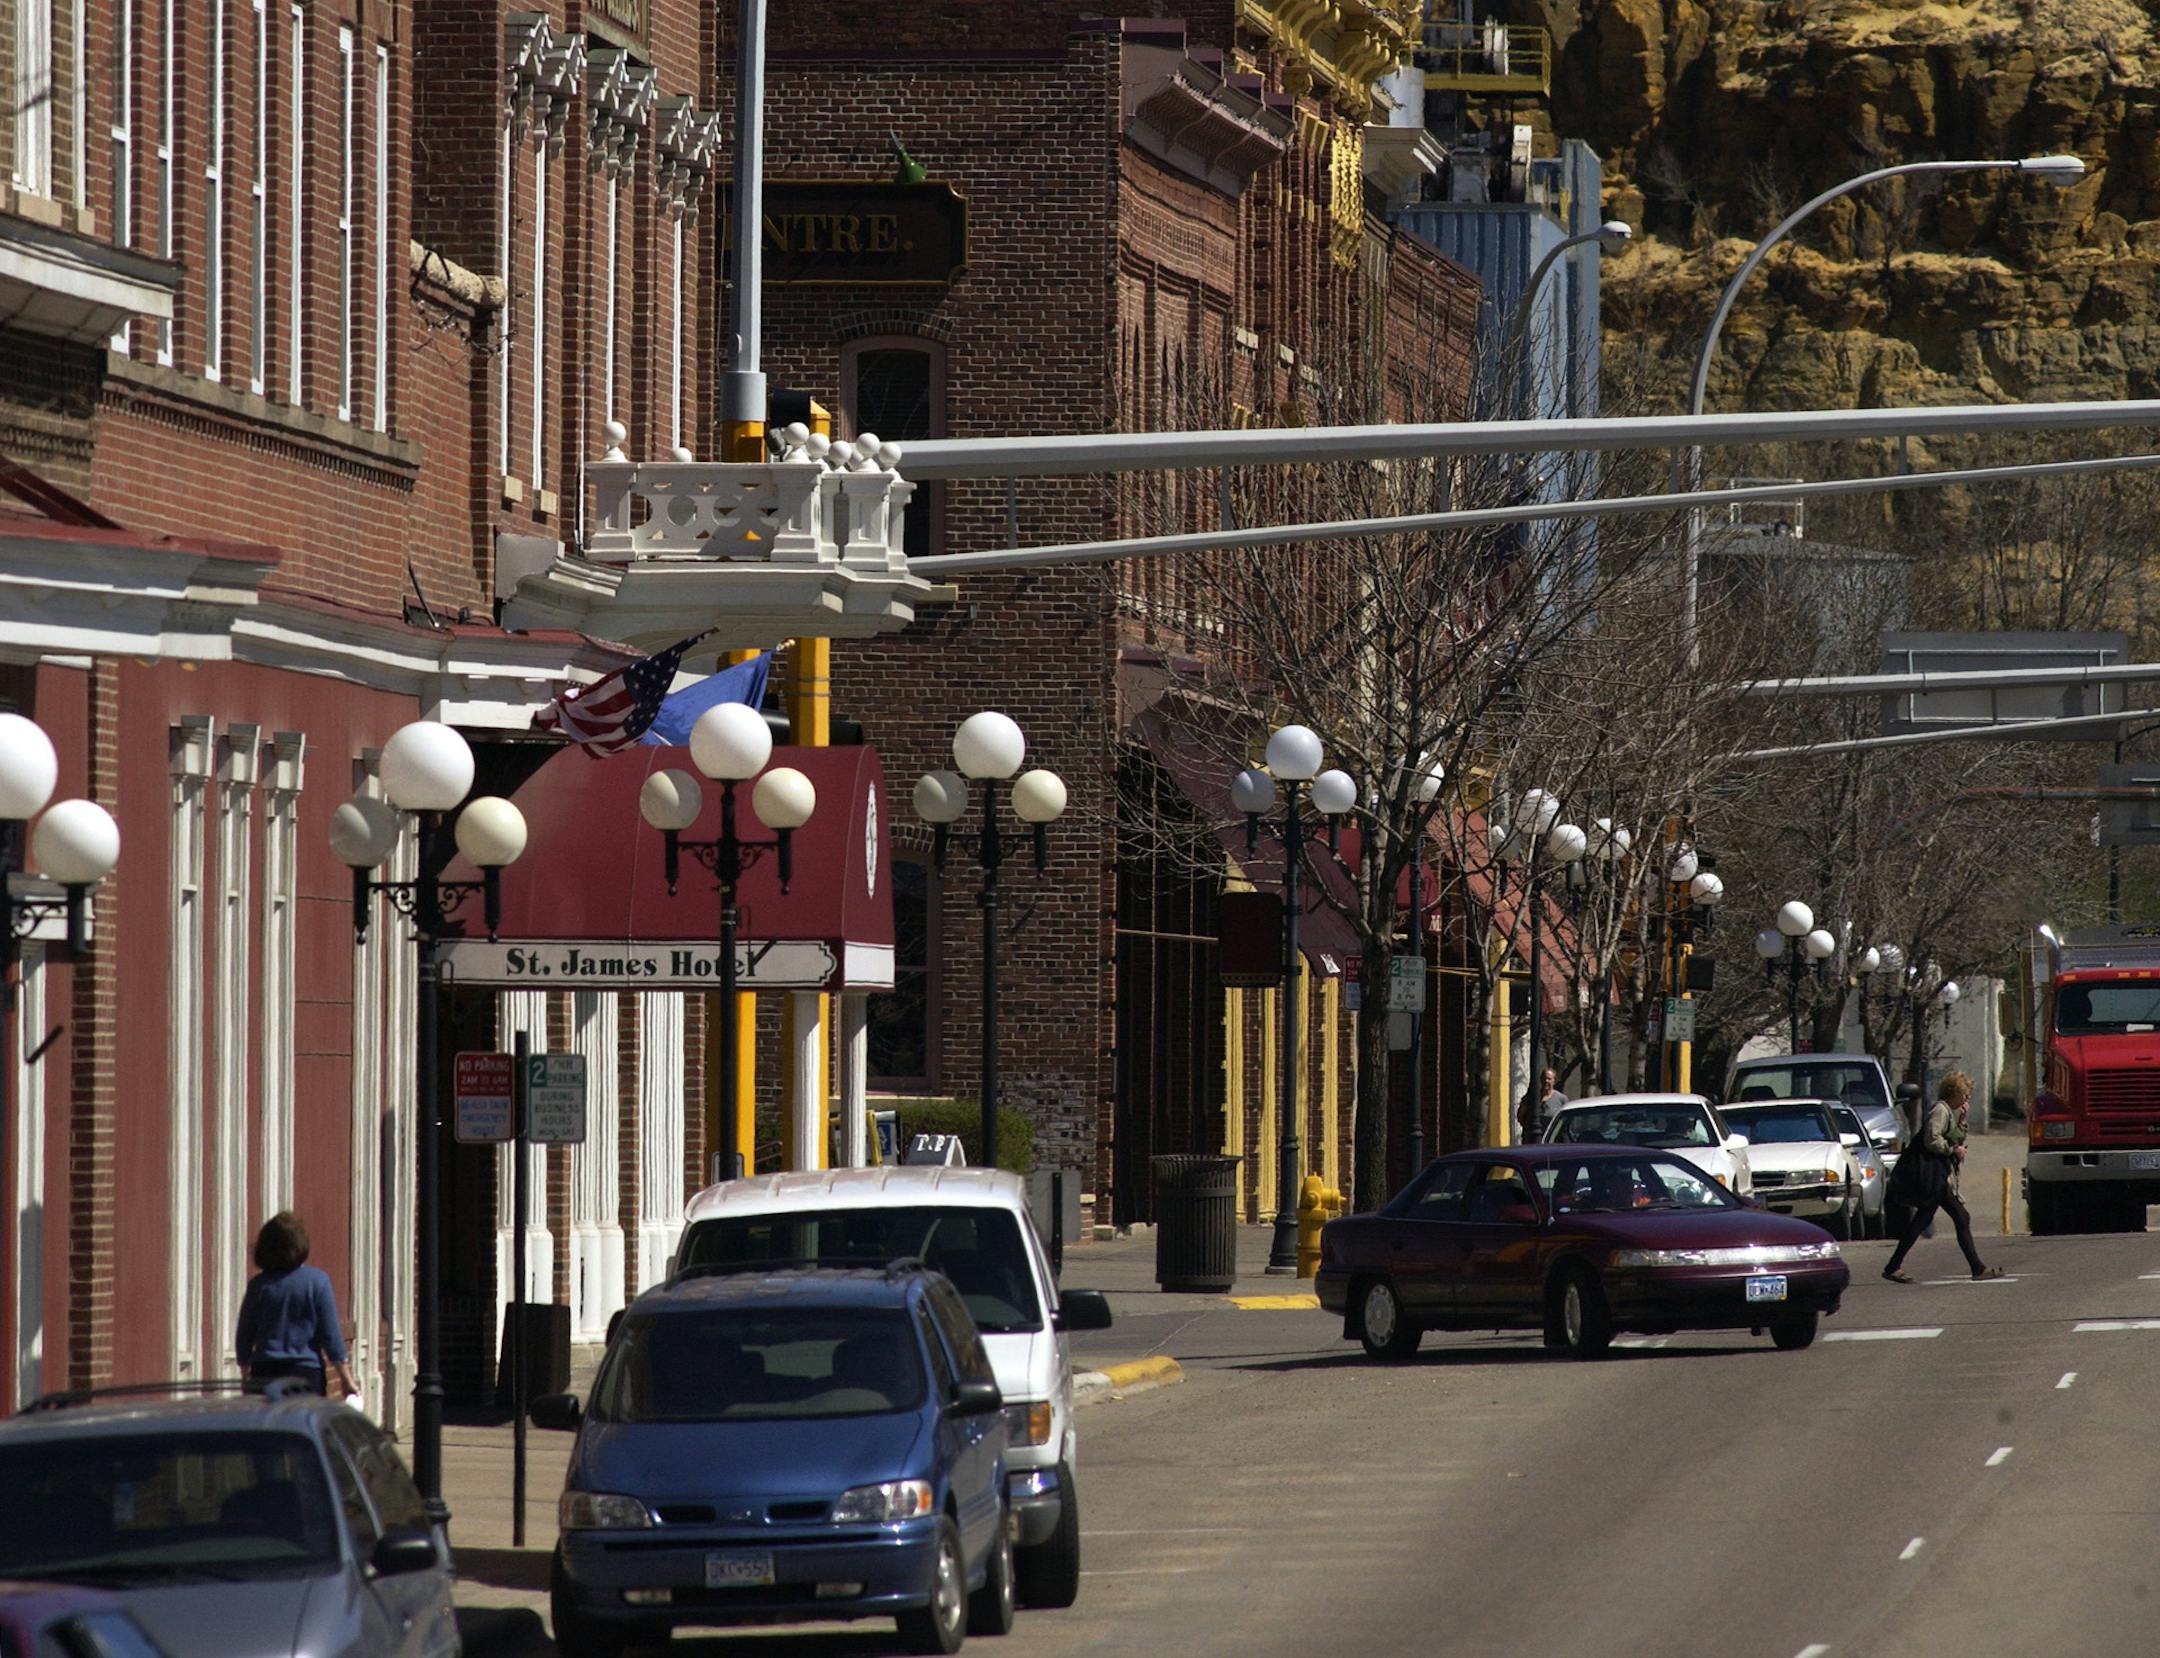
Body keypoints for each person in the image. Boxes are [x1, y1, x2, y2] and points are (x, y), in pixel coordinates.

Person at [1882, 1072, 2005, 1284]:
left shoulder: (1948, 1112)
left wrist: (1963, 1121)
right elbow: (1933, 1140)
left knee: (1928, 1220)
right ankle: (1977, 1268)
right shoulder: (1939, 1110)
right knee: (1959, 1217)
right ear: (1954, 1093)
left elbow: (1956, 1136)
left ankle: (1893, 1266)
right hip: (1932, 1176)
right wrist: (1952, 1150)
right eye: (1964, 1095)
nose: (1966, 1100)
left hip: (1937, 1176)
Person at [235, 1212, 358, 1397]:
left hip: (265, 1372)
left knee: (270, 1425)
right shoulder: (317, 1282)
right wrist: (346, 1379)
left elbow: (244, 1334)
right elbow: (330, 1334)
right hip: (306, 1372)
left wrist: (245, 1374)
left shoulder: (259, 1286)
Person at [1517, 1068, 1567, 1143]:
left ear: (1554, 1081)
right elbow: (1520, 1115)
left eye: (1549, 1079)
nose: (1546, 1081)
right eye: (1544, 1078)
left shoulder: (1562, 1099)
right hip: (1531, 1140)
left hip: (1552, 1141)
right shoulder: (1530, 1097)